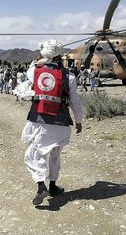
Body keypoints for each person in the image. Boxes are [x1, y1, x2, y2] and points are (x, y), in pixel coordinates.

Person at [22, 39, 83, 206]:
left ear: (43, 54)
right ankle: (53, 186)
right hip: (61, 122)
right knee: (55, 155)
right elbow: (75, 101)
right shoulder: (69, 76)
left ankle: (41, 186)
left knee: (35, 155)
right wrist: (78, 120)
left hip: (39, 121)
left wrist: (39, 59)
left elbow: (31, 67)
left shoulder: (34, 70)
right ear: (59, 56)